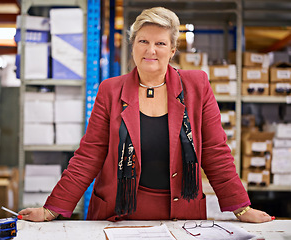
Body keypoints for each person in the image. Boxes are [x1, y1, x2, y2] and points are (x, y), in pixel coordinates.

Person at [19, 7, 274, 223]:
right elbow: (89, 154)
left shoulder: (196, 86)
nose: (150, 50)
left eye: (160, 43)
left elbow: (215, 151)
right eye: (143, 41)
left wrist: (241, 208)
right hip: (119, 214)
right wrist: (52, 208)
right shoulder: (111, 90)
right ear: (133, 46)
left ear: (172, 50)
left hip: (181, 216)